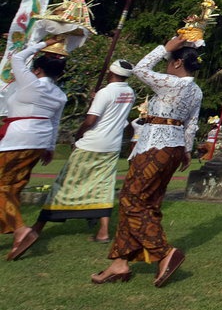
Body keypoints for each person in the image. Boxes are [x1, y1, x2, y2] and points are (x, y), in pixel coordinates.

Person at [91, 36, 201, 285]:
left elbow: (138, 70)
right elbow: (192, 123)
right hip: (173, 147)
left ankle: (164, 253)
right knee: (147, 202)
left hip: (156, 145)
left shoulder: (173, 83)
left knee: (132, 200)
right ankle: (119, 263)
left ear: (177, 63)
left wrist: (164, 49)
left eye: (169, 61)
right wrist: (187, 150)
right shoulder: (195, 89)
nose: (166, 64)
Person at [33, 59, 136, 243]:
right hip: (112, 145)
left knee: (64, 182)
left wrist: (78, 136)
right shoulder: (130, 93)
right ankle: (103, 231)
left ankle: (37, 227)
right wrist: (95, 99)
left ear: (110, 73)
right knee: (103, 186)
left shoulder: (105, 92)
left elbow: (90, 120)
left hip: (92, 143)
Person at [1, 37, 67, 261]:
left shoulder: (31, 82)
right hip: (39, 141)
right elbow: (56, 122)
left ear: (38, 69)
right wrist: (49, 147)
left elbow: (17, 57)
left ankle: (20, 230)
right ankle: (14, 230)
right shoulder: (60, 94)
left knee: (3, 187)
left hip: (17, 139)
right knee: (13, 187)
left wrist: (44, 42)